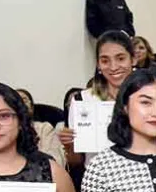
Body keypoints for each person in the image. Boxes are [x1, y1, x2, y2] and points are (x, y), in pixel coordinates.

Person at [58, 30, 135, 170]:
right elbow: (76, 162)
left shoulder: (149, 98)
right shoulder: (82, 100)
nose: (113, 67)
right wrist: (69, 146)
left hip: (141, 177)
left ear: (133, 59)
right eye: (105, 60)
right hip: (98, 180)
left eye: (120, 58)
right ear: (98, 64)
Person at [15, 88, 68, 167]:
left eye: (24, 100)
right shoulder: (2, 130)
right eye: (15, 101)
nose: (20, 104)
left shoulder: (44, 128)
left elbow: (56, 160)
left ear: (32, 108)